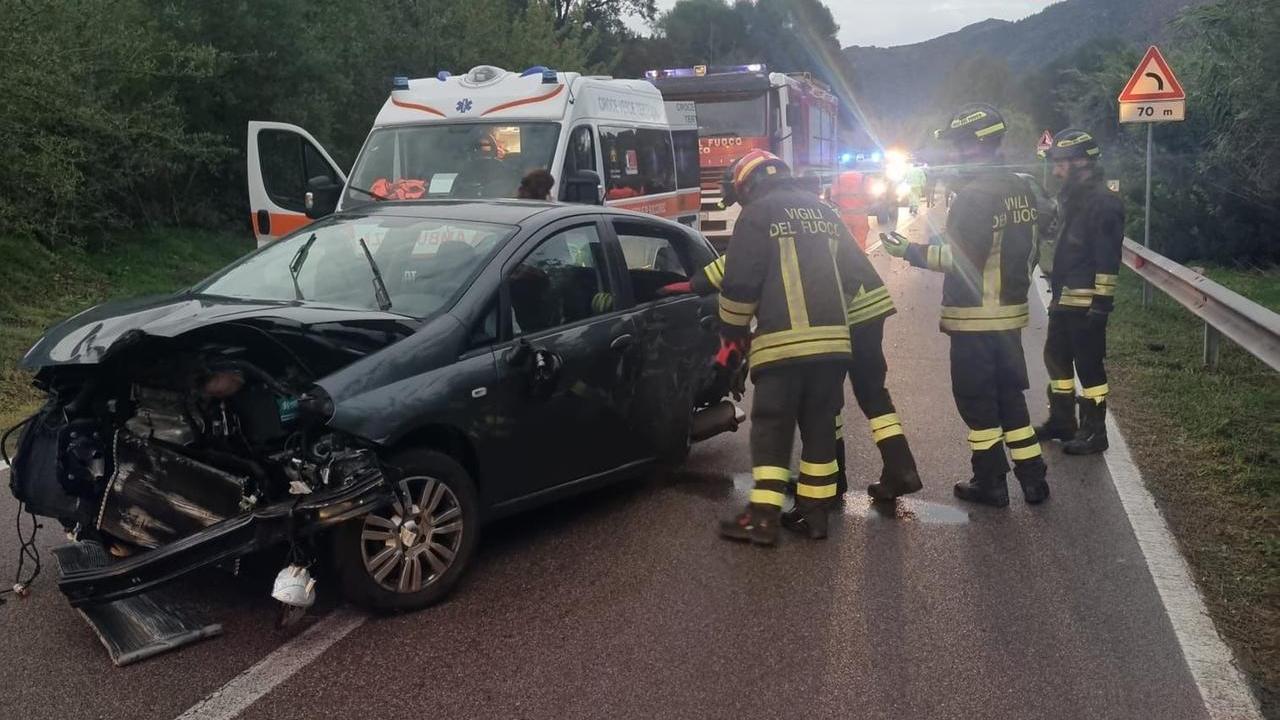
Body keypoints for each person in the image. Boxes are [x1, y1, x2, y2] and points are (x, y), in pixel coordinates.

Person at [689, 188, 923, 509]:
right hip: (870, 304)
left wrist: (688, 283)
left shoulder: (764, 222)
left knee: (823, 399)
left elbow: (732, 267)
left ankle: (833, 480)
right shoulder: (801, 214)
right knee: (871, 393)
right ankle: (900, 468)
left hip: (842, 313)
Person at [883, 103, 1049, 507]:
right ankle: (1033, 479)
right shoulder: (1020, 187)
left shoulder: (975, 196)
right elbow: (1034, 244)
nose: (953, 154)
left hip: (975, 319)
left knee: (977, 404)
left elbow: (955, 260)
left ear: (975, 146)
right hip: (1010, 316)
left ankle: (990, 482)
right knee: (1010, 398)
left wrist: (910, 250)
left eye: (957, 146)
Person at [711, 149, 869, 544]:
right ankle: (814, 517)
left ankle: (763, 518)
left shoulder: (757, 214)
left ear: (747, 184)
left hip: (781, 348)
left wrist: (729, 349)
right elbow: (853, 275)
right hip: (832, 347)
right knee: (819, 427)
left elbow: (739, 290)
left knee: (771, 429)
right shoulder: (825, 212)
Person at [1034, 129, 1125, 454]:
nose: (1056, 171)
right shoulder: (1075, 199)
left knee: (1089, 369)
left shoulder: (1103, 203)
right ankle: (1062, 420)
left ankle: (1094, 431)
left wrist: (1101, 307)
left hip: (1086, 304)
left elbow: (1107, 259)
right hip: (1065, 299)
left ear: (1080, 162)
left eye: (1060, 163)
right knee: (1056, 359)